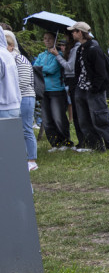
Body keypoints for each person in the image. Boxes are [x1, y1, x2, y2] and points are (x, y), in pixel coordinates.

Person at [68, 21, 109, 153]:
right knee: (84, 120)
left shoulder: (94, 49)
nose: (72, 33)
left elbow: (101, 73)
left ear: (80, 32)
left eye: (74, 31)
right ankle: (96, 147)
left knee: (100, 119)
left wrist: (95, 88)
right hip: (81, 89)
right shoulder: (80, 49)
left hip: (94, 90)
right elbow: (78, 70)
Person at [33, 32, 74, 150]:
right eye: (45, 39)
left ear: (55, 40)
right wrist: (41, 69)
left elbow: (51, 69)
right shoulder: (41, 55)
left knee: (58, 117)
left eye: (50, 39)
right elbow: (34, 68)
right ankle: (54, 143)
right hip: (44, 90)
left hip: (56, 90)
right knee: (47, 119)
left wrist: (41, 70)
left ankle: (65, 141)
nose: (47, 41)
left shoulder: (58, 55)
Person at [5, 31, 39, 170]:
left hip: (25, 97)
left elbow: (24, 82)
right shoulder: (7, 60)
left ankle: (32, 160)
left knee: (26, 129)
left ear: (12, 46)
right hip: (14, 98)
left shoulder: (20, 59)